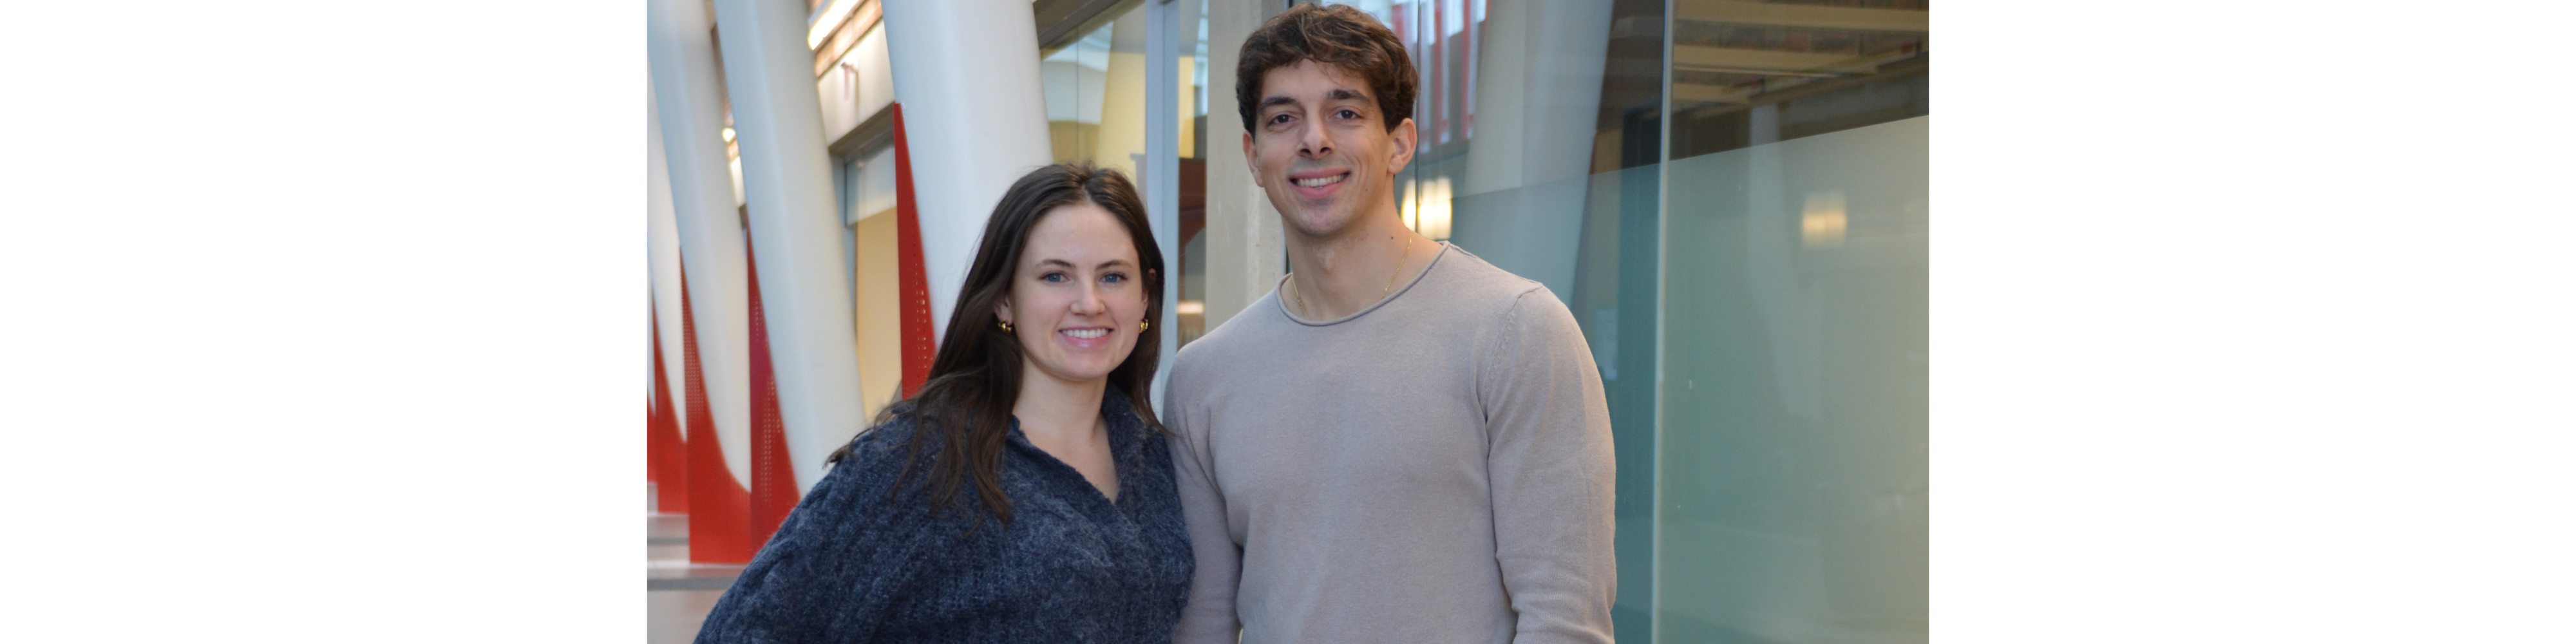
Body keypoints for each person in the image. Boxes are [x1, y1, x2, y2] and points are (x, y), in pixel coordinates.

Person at [1163, 4, 1616, 644]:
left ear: (1399, 142)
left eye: (1345, 113)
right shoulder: (1202, 377)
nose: (1313, 139)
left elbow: (1565, 620)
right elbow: (1205, 621)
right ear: (1252, 154)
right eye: (1283, 118)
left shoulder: (1517, 330)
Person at [694, 164, 1188, 643]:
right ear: (1004, 301)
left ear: (1145, 299)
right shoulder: (918, 459)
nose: (1089, 302)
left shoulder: (1156, 458)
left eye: (1114, 277)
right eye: (1055, 277)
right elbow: (743, 629)